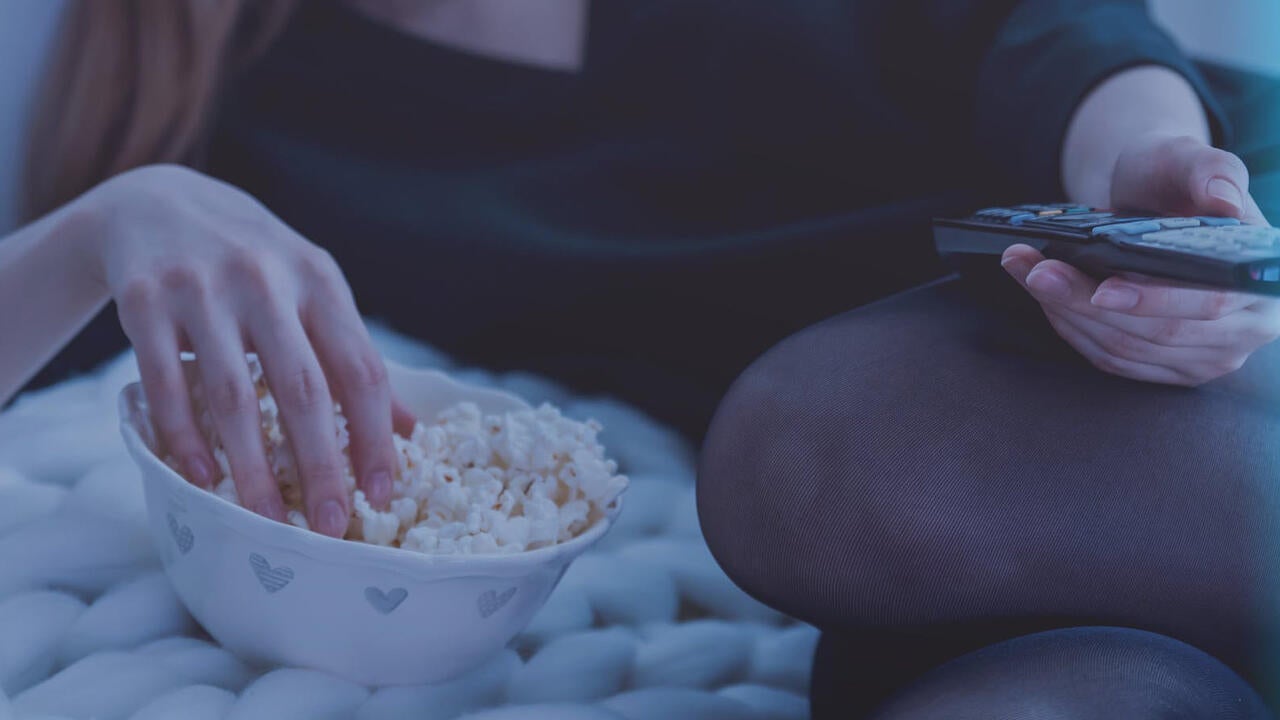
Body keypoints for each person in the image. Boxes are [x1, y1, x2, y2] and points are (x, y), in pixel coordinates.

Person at [0, 0, 1276, 714]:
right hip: (908, 574)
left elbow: (1054, 34)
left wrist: (1151, 196)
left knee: (813, 451)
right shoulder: (269, 118)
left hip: (1141, 342)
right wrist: (102, 226)